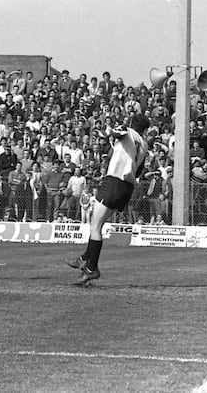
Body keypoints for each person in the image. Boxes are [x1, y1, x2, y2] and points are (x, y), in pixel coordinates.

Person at [65, 114, 151, 285]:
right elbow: (139, 170)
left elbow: (116, 132)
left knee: (95, 226)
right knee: (98, 223)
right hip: (127, 187)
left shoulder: (127, 131)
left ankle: (92, 269)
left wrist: (107, 131)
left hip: (114, 181)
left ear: (132, 123)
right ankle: (84, 258)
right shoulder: (144, 144)